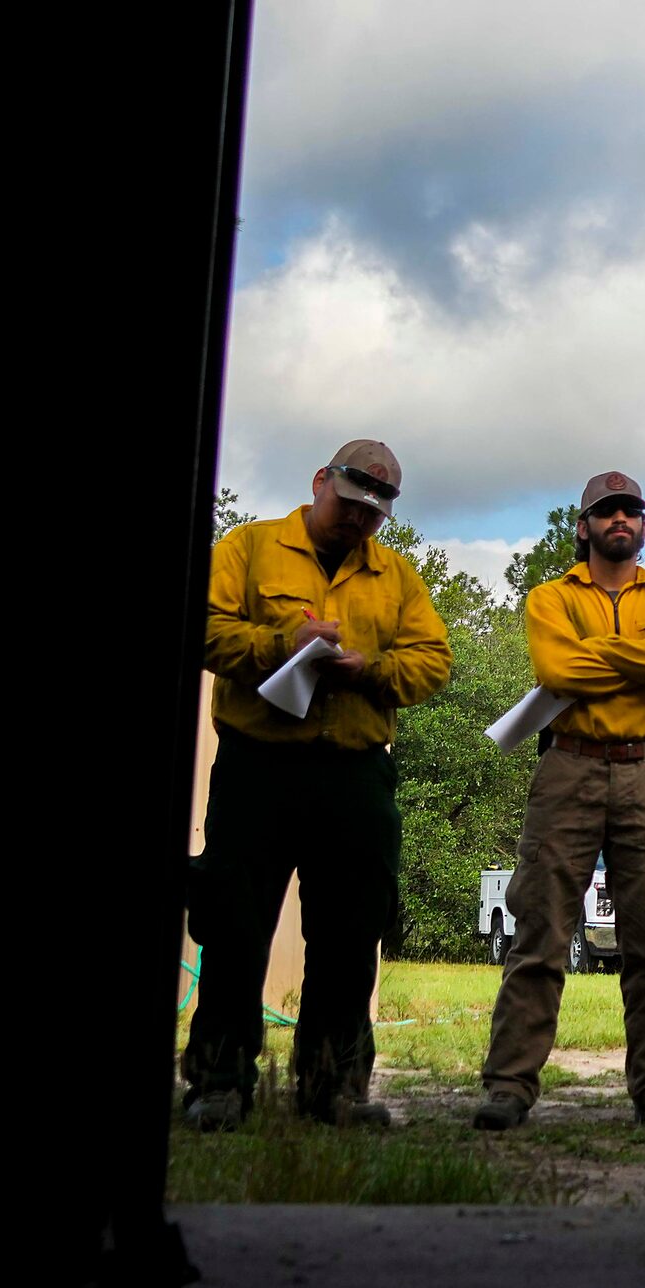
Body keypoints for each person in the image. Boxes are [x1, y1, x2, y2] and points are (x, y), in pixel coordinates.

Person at [187, 441, 450, 1129]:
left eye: (371, 516)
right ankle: (219, 1084)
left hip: (355, 773)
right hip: (257, 765)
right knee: (234, 928)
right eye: (348, 506)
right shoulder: (247, 548)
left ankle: (333, 1088)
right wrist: (283, 646)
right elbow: (205, 629)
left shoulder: (395, 576)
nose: (356, 524)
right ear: (319, 483)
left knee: (347, 935)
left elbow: (432, 662)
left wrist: (367, 669)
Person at [473, 472, 645, 1129]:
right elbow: (556, 671)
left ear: (643, 524)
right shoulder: (550, 596)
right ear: (584, 527)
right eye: (606, 512)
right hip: (568, 767)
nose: (620, 519)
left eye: (631, 510)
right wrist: (638, 657)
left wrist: (599, 657)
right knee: (540, 932)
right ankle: (509, 1087)